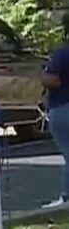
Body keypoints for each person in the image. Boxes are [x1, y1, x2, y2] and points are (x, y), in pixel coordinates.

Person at [41, 16, 69, 209]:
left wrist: (41, 78)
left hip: (63, 106)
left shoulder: (62, 55)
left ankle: (67, 197)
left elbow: (52, 80)